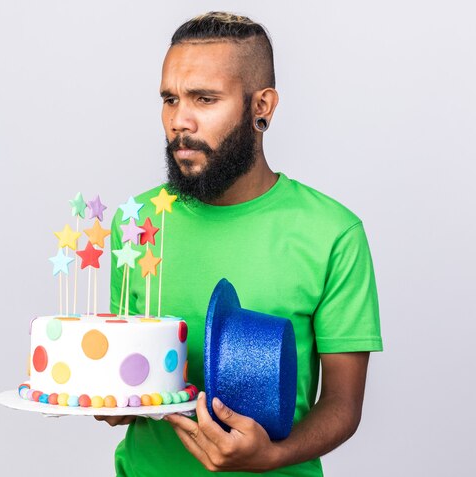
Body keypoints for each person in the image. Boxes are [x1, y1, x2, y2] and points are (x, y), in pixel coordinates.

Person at [96, 11, 383, 476]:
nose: (179, 121)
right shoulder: (138, 222)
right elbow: (125, 380)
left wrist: (273, 456)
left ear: (261, 107)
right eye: (170, 99)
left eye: (204, 99)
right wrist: (113, 397)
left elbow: (342, 405)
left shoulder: (333, 233)